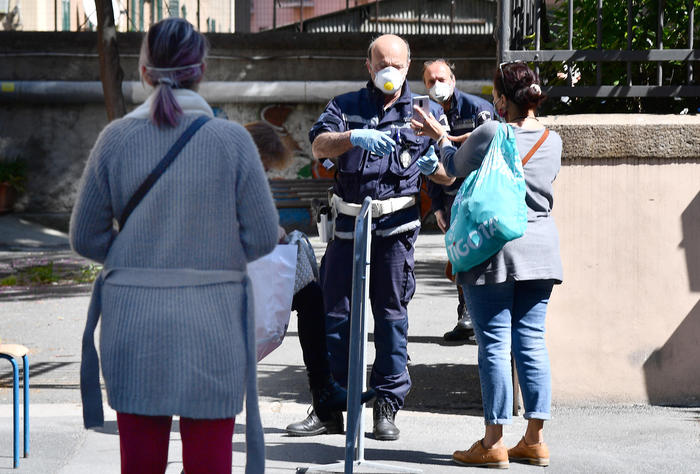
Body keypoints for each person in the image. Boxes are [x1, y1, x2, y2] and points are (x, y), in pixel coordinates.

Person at [70, 19, 278, 474]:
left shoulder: (116, 139)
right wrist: (210, 258)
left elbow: (86, 236)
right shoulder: (232, 141)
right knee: (209, 463)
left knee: (140, 464)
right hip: (213, 324)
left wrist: (141, 257)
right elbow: (263, 236)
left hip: (133, 323)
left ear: (144, 72)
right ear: (200, 69)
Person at [412, 61, 562, 468]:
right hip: (542, 251)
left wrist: (437, 139)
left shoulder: (492, 131)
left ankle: (493, 441)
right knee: (531, 341)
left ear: (499, 98)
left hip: (495, 248)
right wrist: (445, 136)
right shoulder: (554, 139)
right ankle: (534, 440)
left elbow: (453, 170)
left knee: (494, 344)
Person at [304, 34, 439, 441]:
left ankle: (386, 405)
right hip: (348, 229)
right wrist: (352, 138)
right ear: (368, 66)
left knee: (391, 318)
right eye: (382, 64)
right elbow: (317, 147)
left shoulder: (425, 112)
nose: (389, 72)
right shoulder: (344, 106)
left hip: (394, 234)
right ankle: (331, 407)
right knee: (335, 318)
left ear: (408, 66)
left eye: (397, 65)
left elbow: (449, 173)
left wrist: (436, 157)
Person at [244, 121, 374, 436]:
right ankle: (325, 390)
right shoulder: (239, 175)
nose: (264, 169)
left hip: (240, 271)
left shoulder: (237, 172)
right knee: (310, 298)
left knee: (310, 296)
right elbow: (262, 231)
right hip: (231, 276)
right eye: (264, 163)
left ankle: (325, 392)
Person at [418, 59, 494, 342]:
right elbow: (429, 160)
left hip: (478, 198)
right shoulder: (427, 115)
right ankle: (467, 315)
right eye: (430, 81)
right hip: (451, 202)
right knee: (459, 258)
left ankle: (483, 317)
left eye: (441, 78)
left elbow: (491, 151)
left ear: (453, 79)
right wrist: (437, 206)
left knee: (483, 257)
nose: (437, 85)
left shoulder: (478, 109)